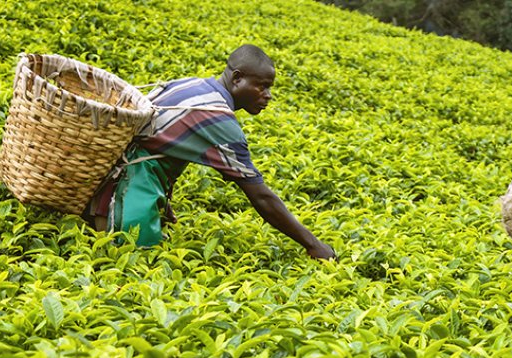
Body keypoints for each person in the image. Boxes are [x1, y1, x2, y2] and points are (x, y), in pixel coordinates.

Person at [83, 44, 336, 260]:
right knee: (135, 266)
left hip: (105, 182)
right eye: (262, 86)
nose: (267, 96)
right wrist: (313, 245)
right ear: (237, 78)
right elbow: (261, 198)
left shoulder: (194, 85)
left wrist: (164, 198)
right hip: (124, 196)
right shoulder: (219, 118)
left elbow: (157, 143)